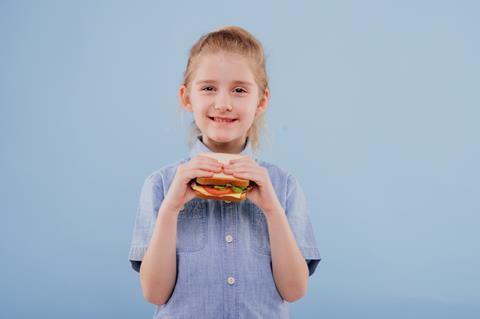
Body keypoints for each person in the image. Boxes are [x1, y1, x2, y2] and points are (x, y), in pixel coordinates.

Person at [128, 25, 321, 319]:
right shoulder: (160, 185)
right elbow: (155, 294)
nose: (223, 103)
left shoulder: (283, 186)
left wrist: (272, 210)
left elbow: (294, 291)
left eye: (240, 90)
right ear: (186, 97)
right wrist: (170, 209)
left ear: (262, 101)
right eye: (208, 88)